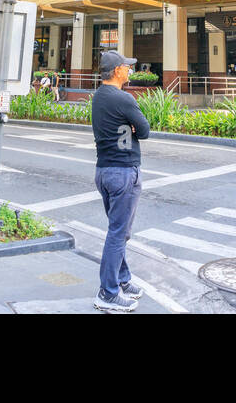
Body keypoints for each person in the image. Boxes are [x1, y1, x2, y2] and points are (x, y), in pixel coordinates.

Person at [91, 49, 149, 312]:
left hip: (104, 172)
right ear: (117, 71)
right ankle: (108, 293)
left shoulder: (99, 97)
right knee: (118, 234)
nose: (130, 70)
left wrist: (129, 127)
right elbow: (145, 130)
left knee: (119, 231)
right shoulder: (124, 98)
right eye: (127, 67)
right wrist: (133, 127)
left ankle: (123, 280)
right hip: (123, 172)